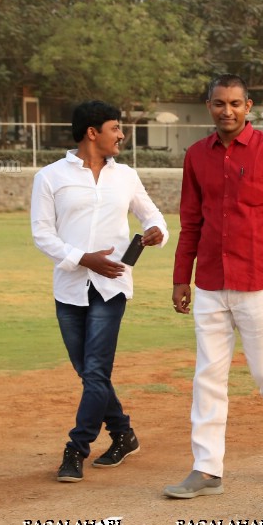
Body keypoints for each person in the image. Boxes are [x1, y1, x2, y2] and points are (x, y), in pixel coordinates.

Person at [164, 74, 263, 499]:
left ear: (249, 106)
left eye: (234, 103)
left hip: (258, 283)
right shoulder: (196, 156)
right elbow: (190, 221)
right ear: (208, 105)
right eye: (218, 103)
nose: (226, 111)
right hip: (210, 281)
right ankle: (207, 469)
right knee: (207, 376)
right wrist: (181, 277)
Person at [31, 100, 169, 483]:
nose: (122, 135)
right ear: (92, 133)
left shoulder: (125, 176)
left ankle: (76, 448)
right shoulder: (50, 177)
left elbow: (152, 215)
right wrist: (83, 258)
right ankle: (123, 433)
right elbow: (42, 233)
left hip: (112, 287)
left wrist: (158, 232)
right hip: (70, 288)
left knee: (94, 370)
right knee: (89, 373)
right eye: (115, 128)